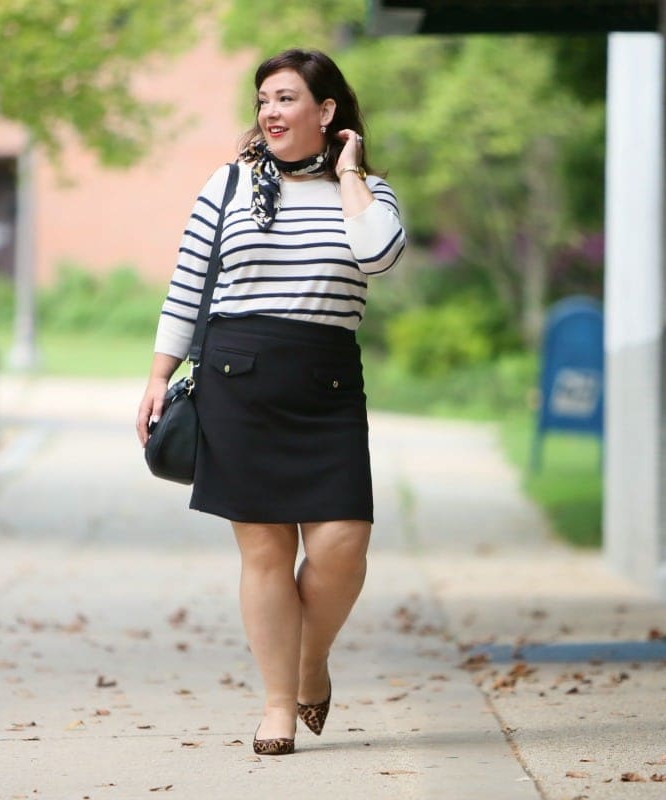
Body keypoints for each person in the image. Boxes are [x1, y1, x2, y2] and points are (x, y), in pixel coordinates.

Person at [135, 49, 405, 756]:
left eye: (287, 99)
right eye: (264, 100)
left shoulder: (371, 193)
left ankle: (310, 663)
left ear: (326, 111)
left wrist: (349, 173)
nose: (271, 112)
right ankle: (279, 704)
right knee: (264, 551)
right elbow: (188, 281)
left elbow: (378, 257)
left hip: (327, 385)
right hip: (237, 376)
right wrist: (161, 373)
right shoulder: (227, 185)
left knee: (343, 548)